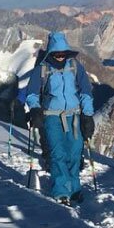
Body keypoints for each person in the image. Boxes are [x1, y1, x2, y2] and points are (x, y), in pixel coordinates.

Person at [25, 32, 95, 204]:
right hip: (52, 117)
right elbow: (32, 93)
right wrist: (35, 110)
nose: (60, 56)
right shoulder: (41, 69)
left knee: (74, 153)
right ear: (51, 53)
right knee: (58, 154)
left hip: (75, 116)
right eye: (57, 54)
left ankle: (74, 189)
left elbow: (86, 91)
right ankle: (61, 191)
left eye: (63, 53)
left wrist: (88, 115)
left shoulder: (75, 67)